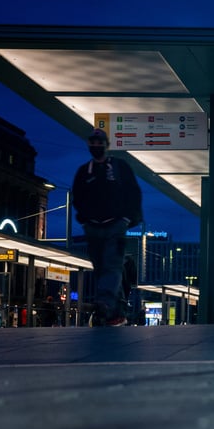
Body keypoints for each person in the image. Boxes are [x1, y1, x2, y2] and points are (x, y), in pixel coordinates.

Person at [72, 128, 143, 327]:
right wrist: (85, 219)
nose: (96, 146)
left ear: (106, 145)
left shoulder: (119, 168)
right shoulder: (84, 172)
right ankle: (116, 311)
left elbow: (133, 192)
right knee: (102, 268)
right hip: (93, 226)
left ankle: (104, 302)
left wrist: (128, 217)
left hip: (116, 224)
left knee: (111, 265)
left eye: (99, 142)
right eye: (92, 142)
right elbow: (78, 197)